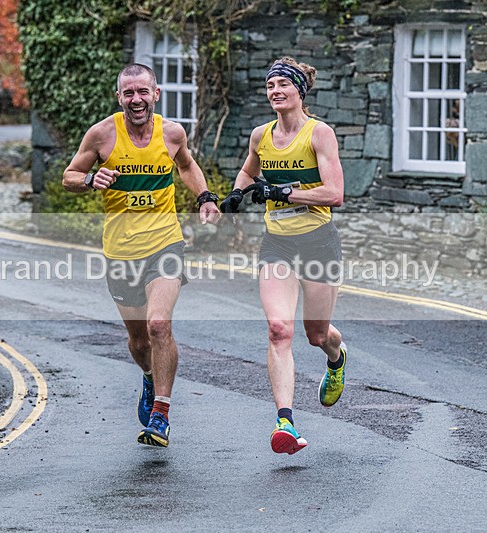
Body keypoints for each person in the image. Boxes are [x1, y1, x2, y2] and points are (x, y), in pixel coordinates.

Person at [62, 64, 221, 448]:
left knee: (158, 325)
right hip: (119, 252)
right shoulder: (101, 135)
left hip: (165, 243)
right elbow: (69, 176)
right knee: (138, 342)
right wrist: (89, 179)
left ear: (156, 94)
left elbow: (186, 165)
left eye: (142, 92)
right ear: (119, 97)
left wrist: (205, 197)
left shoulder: (172, 133)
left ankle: (161, 415)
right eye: (128, 93)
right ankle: (149, 376)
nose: (136, 99)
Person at [221, 57, 346, 455]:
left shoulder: (318, 133)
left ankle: (337, 358)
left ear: (299, 91)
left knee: (316, 334)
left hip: (317, 241)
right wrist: (237, 194)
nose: (275, 91)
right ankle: (285, 422)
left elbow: (334, 194)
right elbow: (247, 170)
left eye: (282, 85)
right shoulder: (261, 134)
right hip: (277, 242)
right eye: (270, 86)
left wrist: (282, 193)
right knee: (279, 329)